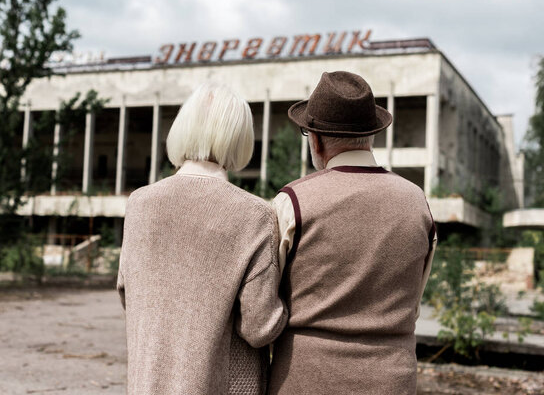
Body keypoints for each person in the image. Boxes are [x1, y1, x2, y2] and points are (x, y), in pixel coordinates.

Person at [268, 71, 437, 394]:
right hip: (392, 379)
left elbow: (266, 304)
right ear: (371, 136)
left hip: (305, 379)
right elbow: (413, 303)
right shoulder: (418, 202)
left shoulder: (292, 201)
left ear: (315, 140)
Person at [117, 83, 288, 395]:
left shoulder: (139, 203)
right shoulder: (254, 215)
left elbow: (128, 294)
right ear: (239, 138)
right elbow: (259, 327)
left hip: (147, 383)